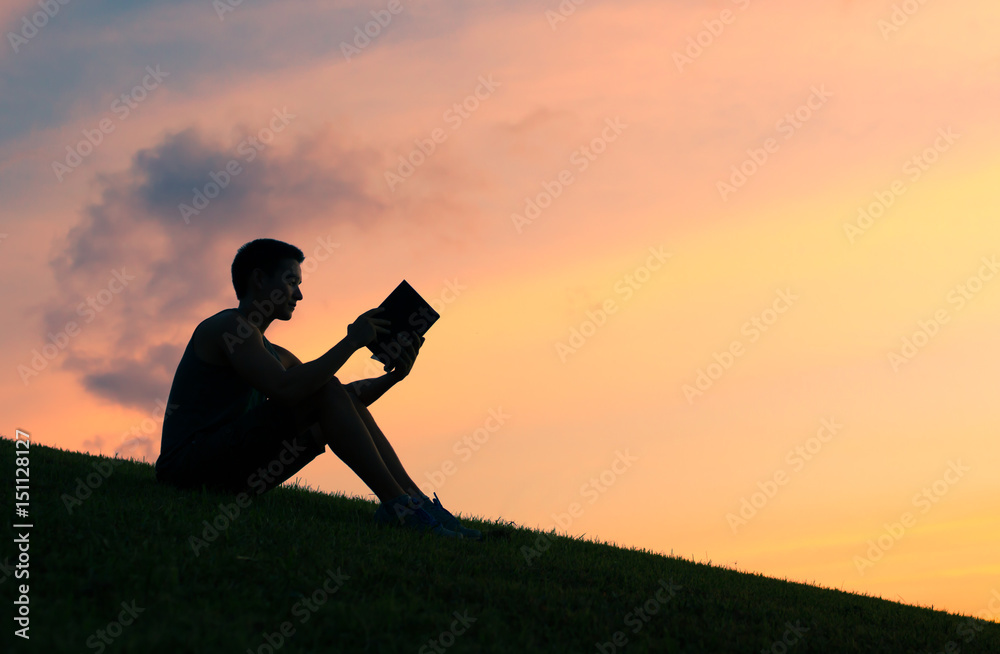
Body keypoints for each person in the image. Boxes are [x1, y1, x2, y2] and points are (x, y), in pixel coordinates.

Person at [154, 238, 479, 539]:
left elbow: (340, 400)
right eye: (291, 281)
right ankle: (401, 508)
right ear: (259, 280)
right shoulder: (229, 327)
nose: (299, 295)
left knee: (328, 388)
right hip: (188, 469)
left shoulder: (274, 353)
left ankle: (414, 501)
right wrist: (351, 341)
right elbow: (285, 389)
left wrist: (393, 377)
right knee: (323, 388)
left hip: (228, 471)